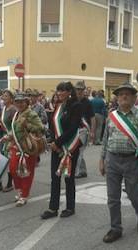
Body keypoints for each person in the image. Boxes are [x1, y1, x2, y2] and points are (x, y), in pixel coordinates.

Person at [99, 82, 138, 243]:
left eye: (127, 93)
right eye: (120, 94)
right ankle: (116, 228)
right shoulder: (111, 115)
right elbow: (105, 139)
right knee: (112, 197)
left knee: (135, 196)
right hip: (112, 160)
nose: (123, 96)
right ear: (116, 98)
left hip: (133, 161)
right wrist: (102, 159)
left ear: (134, 97)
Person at [41, 81, 82, 219]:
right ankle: (53, 208)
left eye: (62, 90)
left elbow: (73, 128)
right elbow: (53, 126)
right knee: (55, 177)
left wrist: (57, 143)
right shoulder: (58, 106)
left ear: (70, 92)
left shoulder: (76, 106)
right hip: (56, 147)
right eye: (58, 90)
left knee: (68, 178)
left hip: (70, 147)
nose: (59, 93)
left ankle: (70, 207)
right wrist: (52, 141)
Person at [9, 92, 45, 207]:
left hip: (28, 147)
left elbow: (41, 128)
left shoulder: (31, 114)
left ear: (26, 102)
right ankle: (19, 190)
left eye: (22, 102)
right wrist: (8, 136)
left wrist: (27, 125)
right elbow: (15, 129)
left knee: (26, 172)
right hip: (16, 145)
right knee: (13, 169)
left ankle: (24, 195)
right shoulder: (17, 114)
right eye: (17, 102)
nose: (19, 104)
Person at [74, 81, 96, 178]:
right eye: (77, 89)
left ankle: (76, 172)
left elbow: (92, 118)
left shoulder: (87, 102)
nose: (79, 91)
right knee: (78, 151)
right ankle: (83, 171)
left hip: (84, 130)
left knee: (79, 151)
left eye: (81, 89)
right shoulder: (73, 101)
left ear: (84, 90)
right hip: (74, 130)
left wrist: (92, 132)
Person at [0, 90, 17, 192]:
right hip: (4, 137)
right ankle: (0, 183)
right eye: (3, 96)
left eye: (6, 96)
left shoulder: (13, 109)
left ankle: (10, 183)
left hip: (11, 138)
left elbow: (15, 125)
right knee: (4, 160)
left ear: (11, 98)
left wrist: (10, 136)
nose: (4, 97)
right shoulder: (4, 109)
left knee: (10, 161)